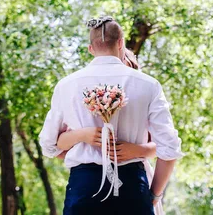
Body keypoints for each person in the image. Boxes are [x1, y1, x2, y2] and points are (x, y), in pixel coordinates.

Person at [39, 16, 182, 214]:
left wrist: (79, 145)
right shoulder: (149, 84)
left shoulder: (66, 86)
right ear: (121, 43)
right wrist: (154, 194)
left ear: (91, 49)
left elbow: (48, 145)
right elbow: (170, 148)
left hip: (83, 189)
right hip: (133, 187)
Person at [56, 48, 164, 215]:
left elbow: (160, 145)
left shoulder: (141, 101)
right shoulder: (85, 109)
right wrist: (84, 146)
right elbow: (59, 146)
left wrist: (136, 150)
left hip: (134, 177)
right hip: (89, 182)